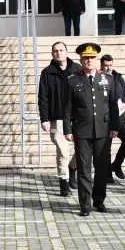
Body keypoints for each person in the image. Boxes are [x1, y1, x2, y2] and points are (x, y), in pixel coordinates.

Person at [63, 43, 118, 215]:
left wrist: (115, 127)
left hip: (103, 131)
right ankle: (85, 205)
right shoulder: (73, 80)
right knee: (84, 169)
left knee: (102, 169)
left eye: (92, 57)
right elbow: (67, 108)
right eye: (86, 57)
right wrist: (67, 129)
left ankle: (99, 201)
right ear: (81, 59)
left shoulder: (107, 79)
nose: (89, 60)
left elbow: (113, 106)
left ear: (96, 60)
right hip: (82, 132)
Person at [37, 41, 81, 196]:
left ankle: (72, 169)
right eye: (55, 51)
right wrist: (44, 119)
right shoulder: (47, 72)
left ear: (67, 52)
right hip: (57, 118)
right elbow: (43, 97)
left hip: (76, 117)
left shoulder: (77, 69)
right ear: (52, 54)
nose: (58, 53)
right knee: (63, 150)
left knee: (81, 149)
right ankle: (64, 181)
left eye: (61, 50)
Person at [101, 54, 125, 180]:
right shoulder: (99, 78)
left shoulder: (118, 77)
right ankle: (107, 173)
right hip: (107, 119)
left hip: (120, 118)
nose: (109, 68)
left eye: (110, 65)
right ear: (101, 65)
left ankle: (116, 164)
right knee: (106, 147)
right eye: (106, 65)